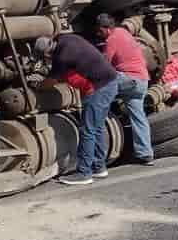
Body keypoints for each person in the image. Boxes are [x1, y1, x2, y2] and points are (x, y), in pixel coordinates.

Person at [34, 31, 120, 185]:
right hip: (109, 83)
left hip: (98, 89)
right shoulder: (66, 39)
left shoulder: (61, 57)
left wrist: (36, 87)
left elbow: (50, 82)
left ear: (47, 53)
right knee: (97, 128)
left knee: (87, 130)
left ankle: (84, 173)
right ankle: (99, 167)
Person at [93, 12, 154, 167]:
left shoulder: (111, 39)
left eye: (99, 31)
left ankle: (96, 145)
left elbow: (104, 66)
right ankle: (145, 154)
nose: (98, 34)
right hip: (142, 81)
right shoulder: (123, 32)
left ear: (106, 28)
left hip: (129, 79)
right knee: (138, 117)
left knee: (98, 95)